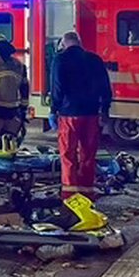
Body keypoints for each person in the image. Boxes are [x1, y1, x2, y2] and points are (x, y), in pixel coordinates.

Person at [50, 31, 112, 199]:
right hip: (91, 113)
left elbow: (57, 87)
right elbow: (105, 87)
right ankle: (86, 190)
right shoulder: (95, 59)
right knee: (88, 153)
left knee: (68, 154)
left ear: (64, 43)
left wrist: (53, 109)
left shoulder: (60, 59)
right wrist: (105, 109)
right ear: (79, 42)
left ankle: (69, 194)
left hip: (69, 114)